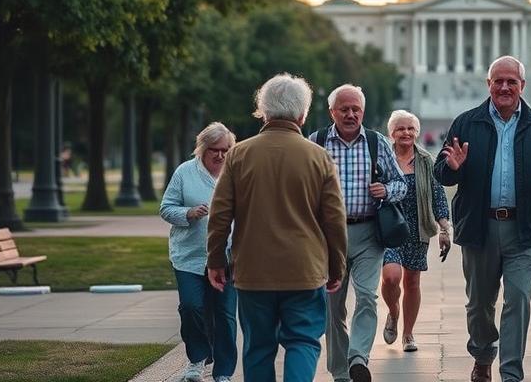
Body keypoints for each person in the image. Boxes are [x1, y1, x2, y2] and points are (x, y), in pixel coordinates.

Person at [434, 55, 531, 382]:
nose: (504, 87)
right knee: (479, 304)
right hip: (480, 228)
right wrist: (451, 167)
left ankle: (511, 374)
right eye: (498, 81)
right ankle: (483, 354)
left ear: (522, 86)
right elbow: (442, 172)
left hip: (525, 228)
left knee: (518, 300)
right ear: (488, 84)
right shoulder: (466, 123)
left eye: (511, 81)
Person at [207, 74, 347, 382]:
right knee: (303, 341)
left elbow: (220, 215)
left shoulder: (239, 154)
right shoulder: (319, 157)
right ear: (302, 114)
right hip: (304, 269)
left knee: (258, 347)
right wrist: (337, 266)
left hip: (253, 270)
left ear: (264, 111)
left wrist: (216, 259)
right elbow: (335, 221)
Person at [309, 84, 407, 382]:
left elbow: (401, 185)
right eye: (344, 109)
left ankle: (358, 359)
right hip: (329, 237)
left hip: (368, 233)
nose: (351, 114)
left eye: (356, 109)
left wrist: (386, 190)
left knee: (366, 296)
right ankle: (340, 372)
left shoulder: (377, 143)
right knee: (333, 307)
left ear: (362, 111)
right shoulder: (317, 142)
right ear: (332, 112)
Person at [160, 122, 240, 382]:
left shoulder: (237, 172)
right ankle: (197, 359)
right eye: (214, 150)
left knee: (225, 315)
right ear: (202, 149)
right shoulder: (185, 172)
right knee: (192, 307)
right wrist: (188, 213)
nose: (220, 155)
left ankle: (224, 372)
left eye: (225, 150)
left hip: (227, 258)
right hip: (189, 257)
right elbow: (166, 208)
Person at [379, 110, 451, 353]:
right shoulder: (382, 157)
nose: (406, 133)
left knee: (412, 282)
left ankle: (408, 334)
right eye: (400, 128)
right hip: (389, 229)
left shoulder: (425, 160)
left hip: (417, 228)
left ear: (417, 132)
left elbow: (438, 195)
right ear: (392, 133)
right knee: (390, 277)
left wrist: (444, 229)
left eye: (410, 128)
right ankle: (393, 311)